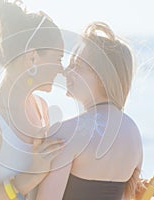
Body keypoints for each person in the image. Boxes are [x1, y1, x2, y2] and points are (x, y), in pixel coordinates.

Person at [0, 0, 64, 199]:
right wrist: (30, 177)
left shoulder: (41, 109)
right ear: (32, 58)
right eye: (58, 59)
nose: (61, 69)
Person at [36, 22, 143, 200]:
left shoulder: (66, 133)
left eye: (76, 65)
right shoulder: (134, 133)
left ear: (102, 77)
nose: (65, 71)